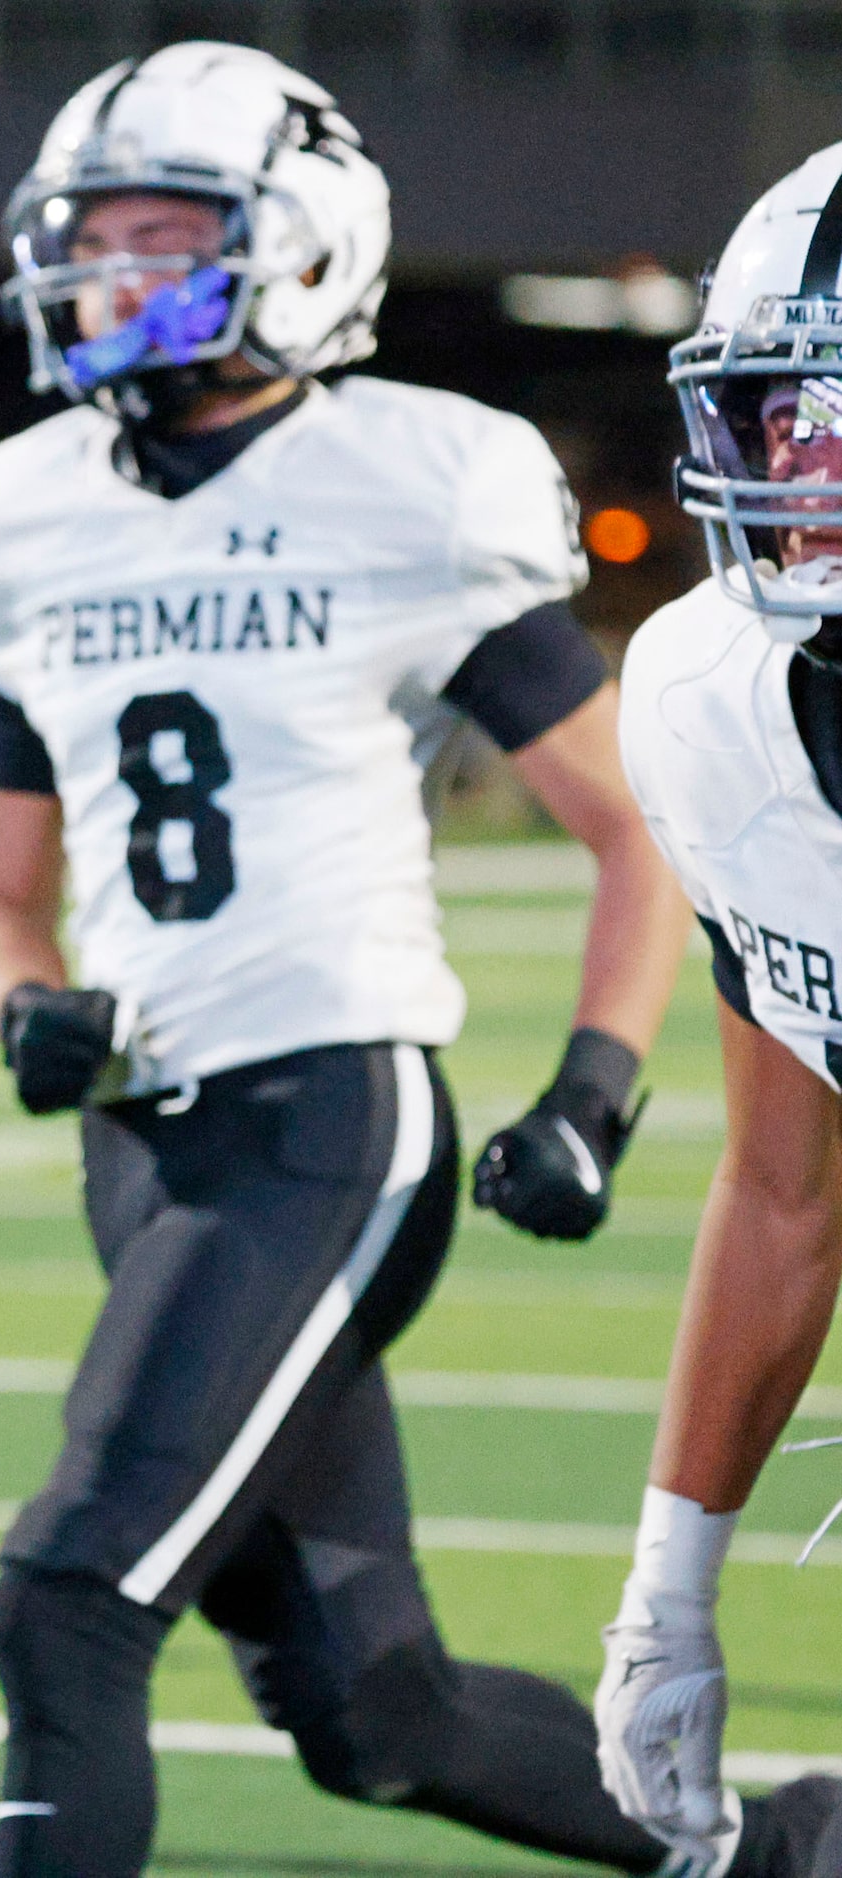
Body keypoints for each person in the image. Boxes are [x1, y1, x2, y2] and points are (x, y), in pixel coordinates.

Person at [0, 41, 834, 1876]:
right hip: (146, 1136)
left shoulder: (413, 483)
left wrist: (592, 1082)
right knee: (371, 1707)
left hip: (326, 1110)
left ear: (302, 244)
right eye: (89, 236)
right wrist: (19, 998)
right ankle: (785, 1844)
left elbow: (625, 823)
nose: (107, 272)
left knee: (67, 1596)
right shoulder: (6, 523)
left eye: (160, 232)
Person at [595, 142, 842, 1876]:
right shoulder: (709, 697)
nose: (805, 470)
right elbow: (782, 1187)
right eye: (787, 412)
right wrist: (664, 1586)